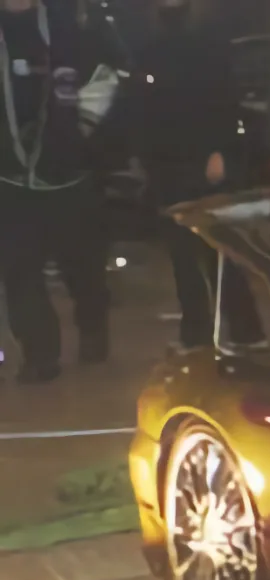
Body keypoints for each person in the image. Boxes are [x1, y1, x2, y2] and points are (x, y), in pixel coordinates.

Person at [119, 0, 260, 348]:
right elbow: (141, 103)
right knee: (184, 254)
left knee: (218, 250)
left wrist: (221, 150)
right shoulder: (148, 40)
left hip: (202, 158)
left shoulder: (208, 37)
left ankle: (245, 330)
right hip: (167, 161)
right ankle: (198, 334)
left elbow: (226, 97)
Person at [0, 0, 112, 384]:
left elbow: (105, 77)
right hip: (10, 180)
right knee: (19, 271)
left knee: (82, 268)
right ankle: (39, 354)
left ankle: (94, 328)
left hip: (68, 174)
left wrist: (77, 135)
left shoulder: (68, 26)